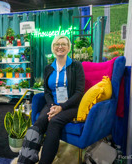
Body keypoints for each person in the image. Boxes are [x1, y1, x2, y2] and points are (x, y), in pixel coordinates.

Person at [18, 35, 85, 164]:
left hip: (72, 105)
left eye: (63, 44)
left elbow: (79, 92)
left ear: (68, 47)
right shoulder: (49, 68)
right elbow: (47, 92)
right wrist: (52, 105)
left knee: (54, 121)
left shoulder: (76, 66)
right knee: (39, 123)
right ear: (53, 48)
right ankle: (26, 159)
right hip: (52, 103)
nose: (60, 47)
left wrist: (61, 107)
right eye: (57, 44)